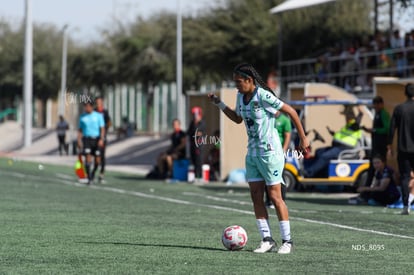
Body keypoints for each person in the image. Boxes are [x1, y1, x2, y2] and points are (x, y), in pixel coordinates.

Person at [208, 63, 309, 254]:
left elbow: (292, 112)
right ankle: (267, 239)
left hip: (270, 153)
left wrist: (303, 137)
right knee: (256, 196)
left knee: (275, 196)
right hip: (252, 153)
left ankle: (287, 241)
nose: (236, 86)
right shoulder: (240, 96)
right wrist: (219, 103)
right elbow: (238, 119)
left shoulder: (263, 95)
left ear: (249, 80)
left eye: (239, 82)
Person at [304, 106, 363, 178]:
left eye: (348, 115)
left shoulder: (354, 126)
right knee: (318, 151)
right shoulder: (348, 126)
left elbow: (357, 123)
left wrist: (361, 113)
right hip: (338, 147)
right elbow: (342, 136)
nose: (346, 117)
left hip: (345, 148)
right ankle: (319, 174)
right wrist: (333, 133)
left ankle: (309, 173)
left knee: (324, 156)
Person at [387, 83, 414, 215]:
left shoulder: (399, 109)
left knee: (405, 177)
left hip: (403, 148)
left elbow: (392, 129)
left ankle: (405, 206)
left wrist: (389, 145)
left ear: (405, 93)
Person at [361, 96, 390, 187]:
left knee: (376, 167)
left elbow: (386, 128)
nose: (375, 107)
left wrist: (374, 130)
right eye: (374, 105)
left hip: (380, 145)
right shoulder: (377, 114)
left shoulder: (383, 114)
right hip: (376, 145)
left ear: (381, 104)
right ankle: (369, 189)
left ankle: (373, 189)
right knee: (373, 168)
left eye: (377, 104)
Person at [265, 111, 291, 208]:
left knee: (280, 176)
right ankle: (269, 201)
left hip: (278, 151)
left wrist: (283, 150)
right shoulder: (267, 117)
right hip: (268, 151)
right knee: (266, 175)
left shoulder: (284, 120)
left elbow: (287, 136)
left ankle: (282, 200)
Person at [77, 100, 105, 185]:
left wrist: (101, 139)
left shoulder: (98, 116)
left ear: (92, 106)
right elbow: (80, 130)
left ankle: (93, 173)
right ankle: (89, 178)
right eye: (85, 106)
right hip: (87, 140)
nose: (86, 108)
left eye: (88, 106)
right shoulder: (82, 117)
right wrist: (78, 140)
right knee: (88, 158)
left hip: (96, 139)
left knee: (97, 161)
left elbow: (102, 128)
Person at [95, 96, 112, 183]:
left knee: (101, 156)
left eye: (99, 102)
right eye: (97, 102)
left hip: (102, 137)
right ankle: (93, 171)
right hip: (93, 136)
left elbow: (109, 122)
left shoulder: (105, 112)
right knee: (94, 155)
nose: (98, 104)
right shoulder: (93, 111)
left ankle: (101, 173)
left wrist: (105, 130)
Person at [187, 106, 206, 180]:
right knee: (193, 159)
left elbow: (200, 133)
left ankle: (200, 175)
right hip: (192, 144)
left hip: (199, 145)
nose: (194, 116)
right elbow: (189, 132)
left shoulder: (202, 123)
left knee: (199, 160)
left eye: (195, 115)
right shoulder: (192, 123)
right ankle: (194, 176)